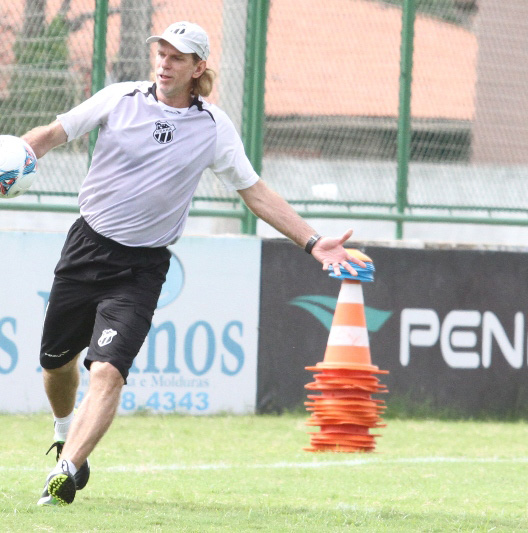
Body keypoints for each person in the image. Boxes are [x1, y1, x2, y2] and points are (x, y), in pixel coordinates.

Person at [21, 21, 366, 506]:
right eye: (160, 52)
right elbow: (55, 133)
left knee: (108, 372)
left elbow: (255, 192)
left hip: (141, 269)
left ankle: (66, 471)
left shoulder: (213, 128)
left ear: (198, 68)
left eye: (177, 56)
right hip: (86, 247)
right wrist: (17, 153)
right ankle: (64, 432)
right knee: (56, 366)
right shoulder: (118, 99)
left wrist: (313, 242)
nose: (164, 62)